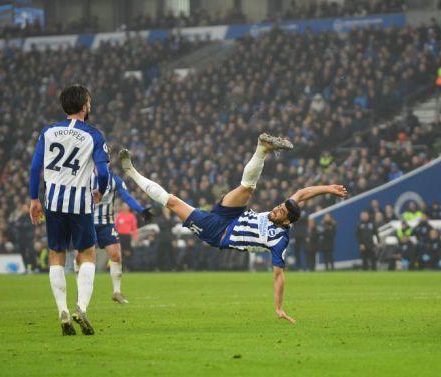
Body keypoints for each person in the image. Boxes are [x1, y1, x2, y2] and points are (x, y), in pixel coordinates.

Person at [119, 134, 347, 323]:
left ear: (287, 222)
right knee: (247, 188)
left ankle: (130, 171)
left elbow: (279, 275)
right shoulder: (284, 211)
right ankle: (262, 149)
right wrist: (328, 188)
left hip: (218, 232)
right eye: (279, 206)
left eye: (280, 212)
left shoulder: (279, 241)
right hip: (232, 214)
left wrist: (279, 307)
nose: (275, 209)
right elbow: (301, 194)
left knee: (173, 202)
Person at [28, 85, 110, 336]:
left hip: (52, 202)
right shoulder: (93, 135)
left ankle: (62, 309)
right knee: (87, 253)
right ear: (85, 105)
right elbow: (104, 172)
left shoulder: (49, 131)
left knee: (56, 254)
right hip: (80, 203)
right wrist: (101, 191)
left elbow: (34, 168)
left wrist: (34, 199)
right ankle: (81, 307)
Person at [74, 171, 153, 304]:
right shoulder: (84, 176)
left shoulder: (115, 180)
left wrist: (141, 210)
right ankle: (80, 291)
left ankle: (116, 292)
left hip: (107, 225)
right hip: (88, 222)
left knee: (116, 255)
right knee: (80, 257)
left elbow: (127, 197)